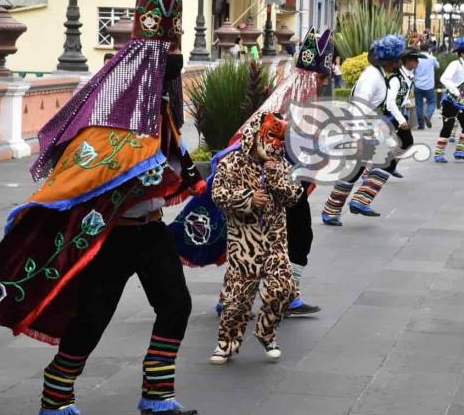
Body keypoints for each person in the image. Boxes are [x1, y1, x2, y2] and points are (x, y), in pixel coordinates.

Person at [0, 0, 202, 415]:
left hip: (151, 230)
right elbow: (85, 167)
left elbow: (171, 161)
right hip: (109, 235)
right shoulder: (112, 108)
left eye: (177, 55)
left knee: (176, 305)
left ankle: (157, 395)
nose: (175, 64)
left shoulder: (160, 106)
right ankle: (56, 393)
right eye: (170, 57)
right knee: (92, 319)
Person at [170, 27, 334, 320]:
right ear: (312, 76)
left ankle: (271, 296)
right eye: (322, 77)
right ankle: (276, 297)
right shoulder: (289, 99)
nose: (324, 83)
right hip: (267, 184)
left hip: (277, 183)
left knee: (268, 241)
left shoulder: (291, 96)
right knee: (274, 239)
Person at [208, 112, 302, 364]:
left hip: (274, 242)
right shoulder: (232, 162)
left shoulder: (281, 164)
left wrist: (274, 179)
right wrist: (247, 199)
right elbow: (218, 194)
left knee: (283, 289)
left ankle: (266, 332)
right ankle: (226, 343)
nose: (274, 145)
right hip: (243, 243)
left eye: (279, 140)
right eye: (271, 136)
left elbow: (294, 196)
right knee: (237, 300)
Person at [321, 35, 407, 225]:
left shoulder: (377, 74)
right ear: (390, 61)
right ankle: (354, 202)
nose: (399, 63)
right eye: (398, 60)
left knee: (356, 169)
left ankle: (335, 210)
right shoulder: (372, 76)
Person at [433, 37, 464, 163]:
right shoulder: (455, 64)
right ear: (462, 53)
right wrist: (455, 91)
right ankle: (438, 154)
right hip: (450, 100)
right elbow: (444, 79)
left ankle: (460, 151)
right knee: (448, 126)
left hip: (462, 101)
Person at [384, 48, 425, 178]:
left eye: (417, 60)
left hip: (398, 113)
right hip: (388, 115)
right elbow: (390, 103)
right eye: (414, 59)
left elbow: (403, 93)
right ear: (406, 61)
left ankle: (390, 166)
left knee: (407, 141)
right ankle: (369, 170)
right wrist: (401, 120)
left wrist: (406, 101)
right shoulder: (396, 78)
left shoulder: (408, 77)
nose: (417, 62)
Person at [414, 41, 439, 129]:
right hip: (429, 85)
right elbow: (437, 67)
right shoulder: (432, 58)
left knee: (419, 105)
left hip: (417, 84)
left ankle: (421, 125)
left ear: (420, 49)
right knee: (432, 102)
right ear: (429, 49)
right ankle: (428, 115)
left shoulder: (416, 58)